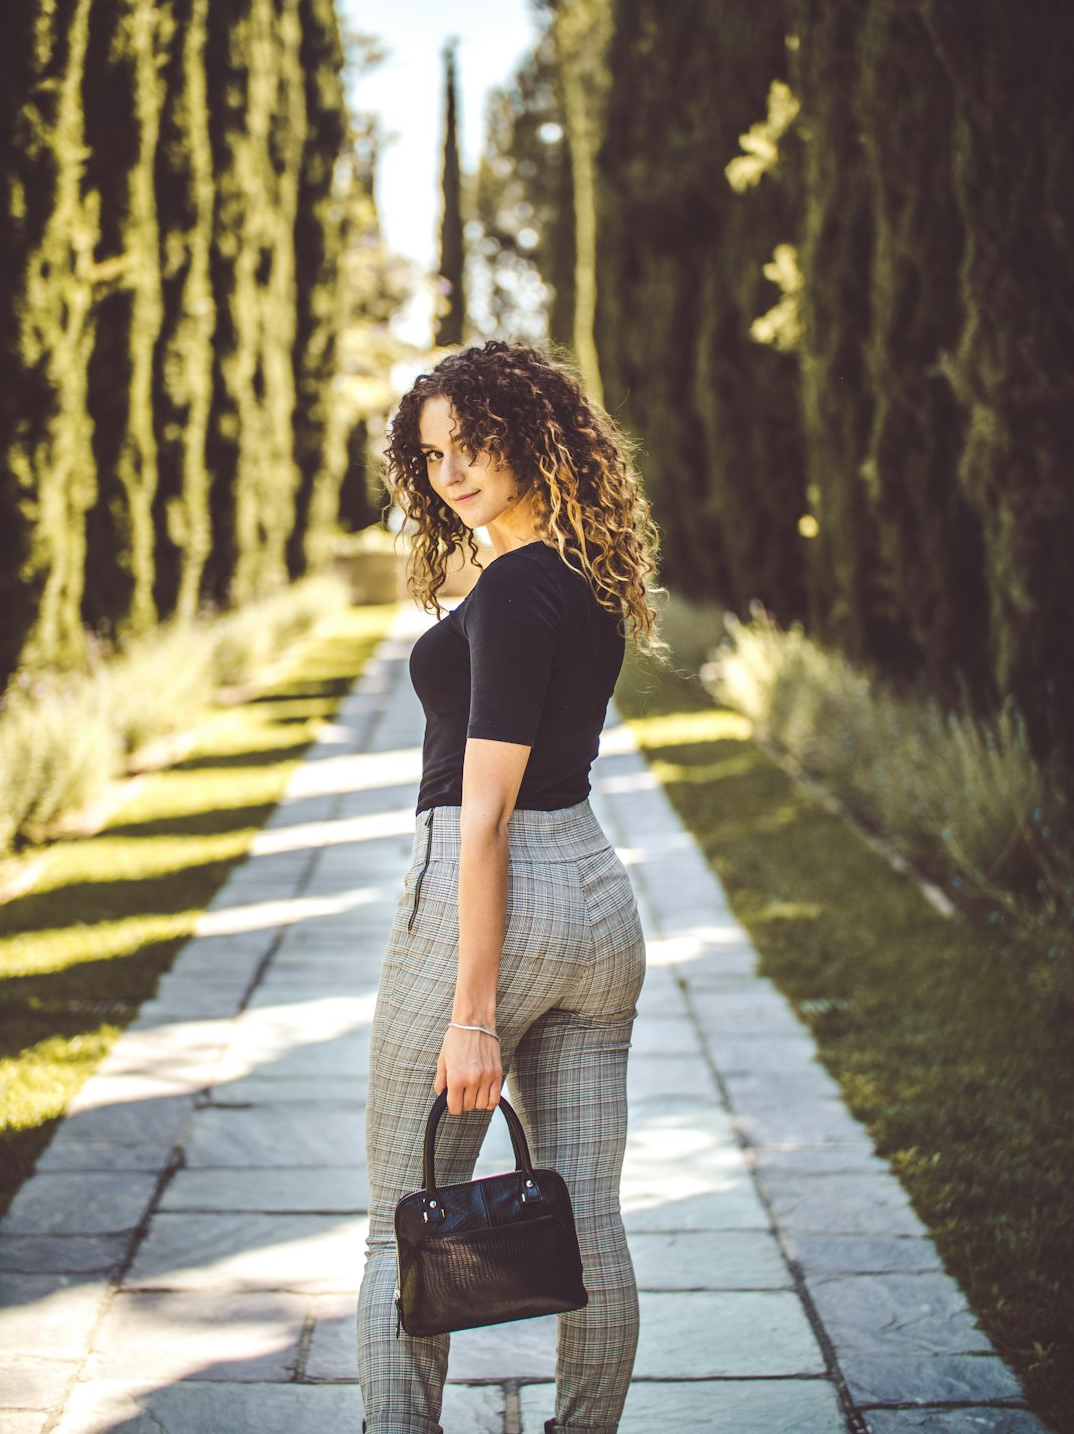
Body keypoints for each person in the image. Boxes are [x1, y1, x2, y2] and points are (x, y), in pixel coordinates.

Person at [357, 340, 660, 1434]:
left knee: (402, 1217)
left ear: (530, 436)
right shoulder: (582, 570)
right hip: (593, 898)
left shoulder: (516, 588)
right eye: (432, 453)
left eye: (472, 443)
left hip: (489, 900)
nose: (450, 471)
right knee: (589, 1219)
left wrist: (472, 1017)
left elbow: (484, 814)